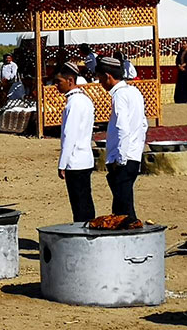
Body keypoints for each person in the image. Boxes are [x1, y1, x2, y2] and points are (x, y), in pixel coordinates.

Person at [96, 56, 146, 220]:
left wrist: (120, 158)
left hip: (123, 158)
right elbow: (143, 124)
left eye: (100, 78)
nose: (100, 83)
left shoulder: (120, 96)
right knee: (122, 204)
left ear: (108, 76)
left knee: (123, 210)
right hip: (134, 155)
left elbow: (122, 128)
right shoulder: (135, 92)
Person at [55, 62, 96, 222]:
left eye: (59, 81)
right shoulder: (85, 100)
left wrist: (62, 163)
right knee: (85, 201)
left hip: (75, 160)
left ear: (70, 80)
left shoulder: (73, 104)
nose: (57, 85)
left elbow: (69, 136)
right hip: (85, 158)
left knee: (79, 205)